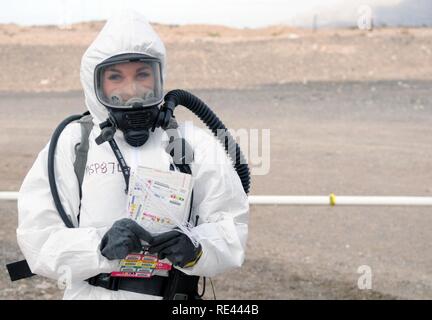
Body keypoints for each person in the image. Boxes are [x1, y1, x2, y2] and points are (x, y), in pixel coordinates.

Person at [16, 10, 249, 300]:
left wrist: (197, 249)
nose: (131, 89)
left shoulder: (193, 144)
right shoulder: (73, 145)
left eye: (142, 75)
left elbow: (232, 227)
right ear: (96, 83)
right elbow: (37, 237)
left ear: (158, 78)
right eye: (116, 77)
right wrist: (98, 247)